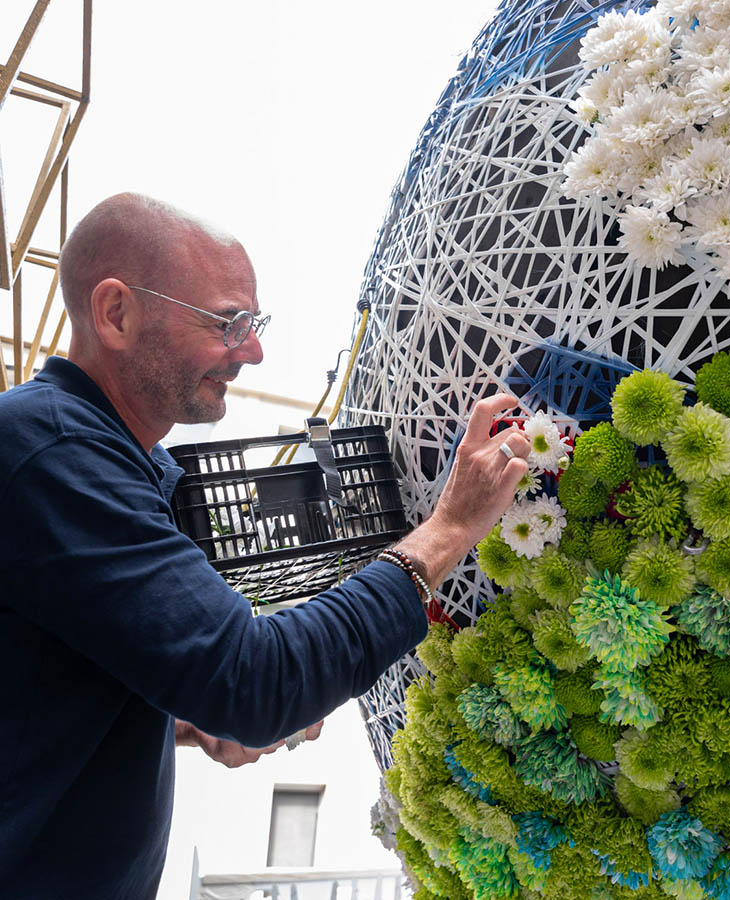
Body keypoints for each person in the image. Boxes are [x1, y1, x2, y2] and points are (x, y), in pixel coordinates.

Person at [0, 193, 531, 898]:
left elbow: (55, 678)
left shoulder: (104, 458)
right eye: (228, 323)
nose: (252, 350)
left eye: (253, 324)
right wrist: (450, 530)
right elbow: (255, 682)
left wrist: (182, 718)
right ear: (116, 313)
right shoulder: (53, 454)